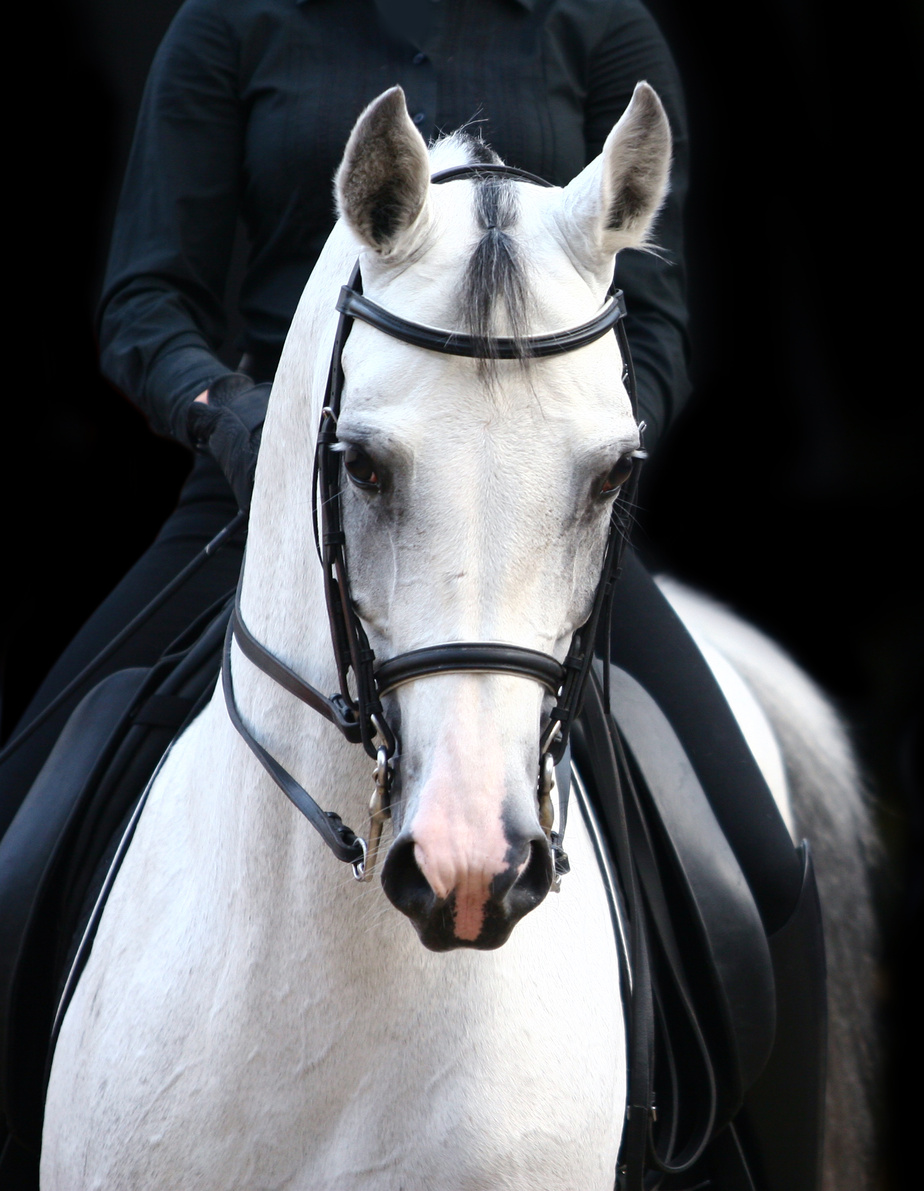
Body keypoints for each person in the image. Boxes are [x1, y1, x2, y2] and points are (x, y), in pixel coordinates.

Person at [0, 0, 800, 935]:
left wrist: (575, 474)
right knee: (21, 817)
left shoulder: (599, 28)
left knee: (763, 864)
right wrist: (248, 424)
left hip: (537, 517)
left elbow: (654, 329)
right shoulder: (230, 24)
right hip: (275, 484)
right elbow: (147, 304)